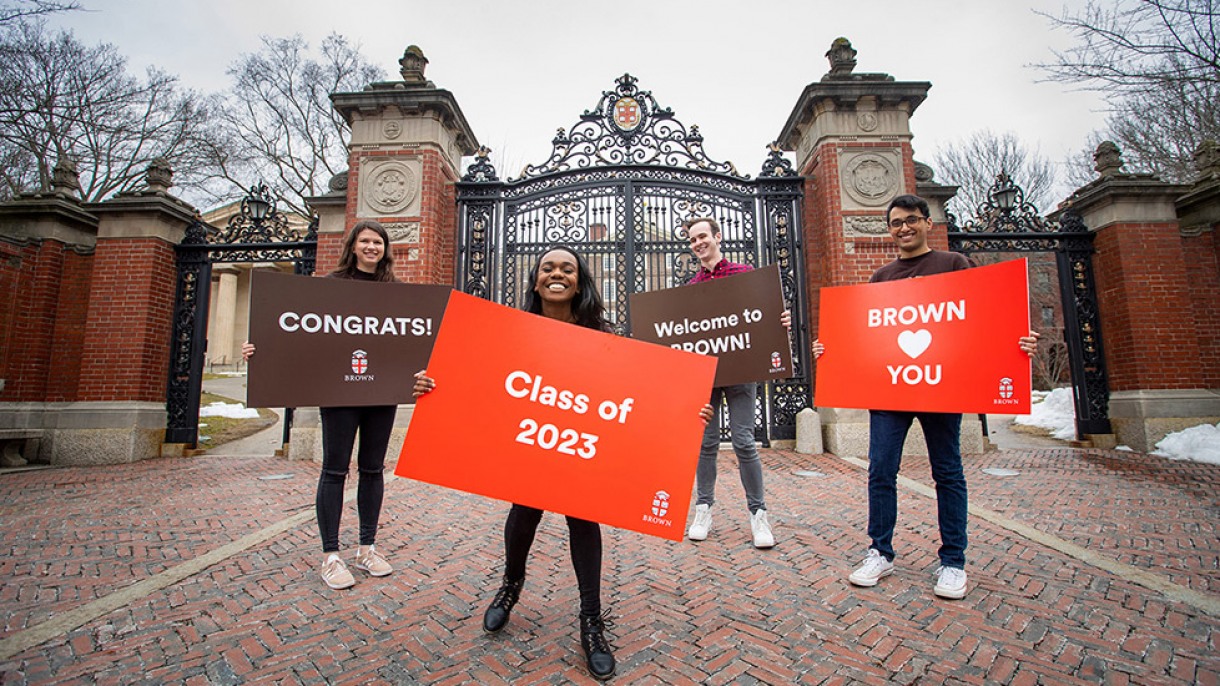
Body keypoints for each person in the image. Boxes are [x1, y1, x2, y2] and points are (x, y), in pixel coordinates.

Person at [413, 244, 713, 682]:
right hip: (531, 441)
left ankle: (591, 620)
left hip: (582, 446)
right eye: (548, 268)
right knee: (523, 512)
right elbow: (473, 378)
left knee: (583, 520)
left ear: (579, 281)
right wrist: (430, 386)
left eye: (568, 269)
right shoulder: (509, 331)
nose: (557, 274)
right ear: (535, 280)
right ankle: (510, 586)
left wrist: (689, 412)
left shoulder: (605, 338)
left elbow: (641, 395)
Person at [812, 194, 1039, 599]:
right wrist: (829, 350)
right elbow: (865, 335)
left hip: (942, 387)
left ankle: (953, 561)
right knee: (881, 469)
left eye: (911, 220)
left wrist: (1017, 343)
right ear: (890, 229)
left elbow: (982, 319)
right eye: (896, 222)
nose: (903, 228)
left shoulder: (953, 265)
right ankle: (879, 551)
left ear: (927, 222)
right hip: (890, 389)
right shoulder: (881, 277)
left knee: (947, 472)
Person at [242, 220, 400, 591]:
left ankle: (366, 548)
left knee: (373, 469)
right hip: (339, 392)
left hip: (382, 393)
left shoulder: (395, 292)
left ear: (384, 248)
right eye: (365, 241)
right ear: (354, 246)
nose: (371, 247)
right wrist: (259, 353)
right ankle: (331, 556)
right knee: (334, 470)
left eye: (377, 242)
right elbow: (297, 332)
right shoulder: (330, 286)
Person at [683, 216, 790, 549]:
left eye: (703, 236)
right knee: (706, 442)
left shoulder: (745, 275)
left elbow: (767, 315)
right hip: (706, 375)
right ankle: (703, 509)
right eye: (692, 239)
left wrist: (780, 318)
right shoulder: (690, 288)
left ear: (717, 237)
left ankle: (759, 515)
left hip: (742, 369)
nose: (698, 243)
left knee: (744, 441)